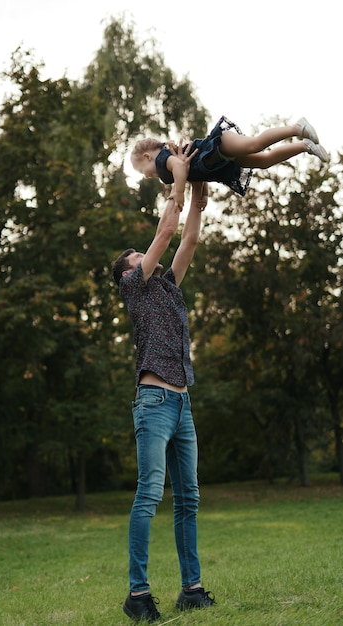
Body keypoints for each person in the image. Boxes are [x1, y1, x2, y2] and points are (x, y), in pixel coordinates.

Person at [112, 143, 214, 623]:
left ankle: (191, 588)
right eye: (137, 255)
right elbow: (167, 229)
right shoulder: (135, 288)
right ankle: (138, 594)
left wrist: (198, 188)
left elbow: (187, 240)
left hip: (182, 404)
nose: (143, 253)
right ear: (129, 271)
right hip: (153, 402)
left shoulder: (167, 288)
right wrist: (178, 181)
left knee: (188, 498)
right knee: (150, 494)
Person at [130, 115, 329, 208]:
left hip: (219, 145)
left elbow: (181, 167)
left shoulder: (166, 159)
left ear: (148, 156)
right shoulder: (172, 162)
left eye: (142, 171)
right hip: (222, 161)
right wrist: (203, 196)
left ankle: (296, 127)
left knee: (255, 145)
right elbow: (196, 175)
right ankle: (305, 147)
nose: (147, 176)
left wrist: (179, 192)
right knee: (264, 161)